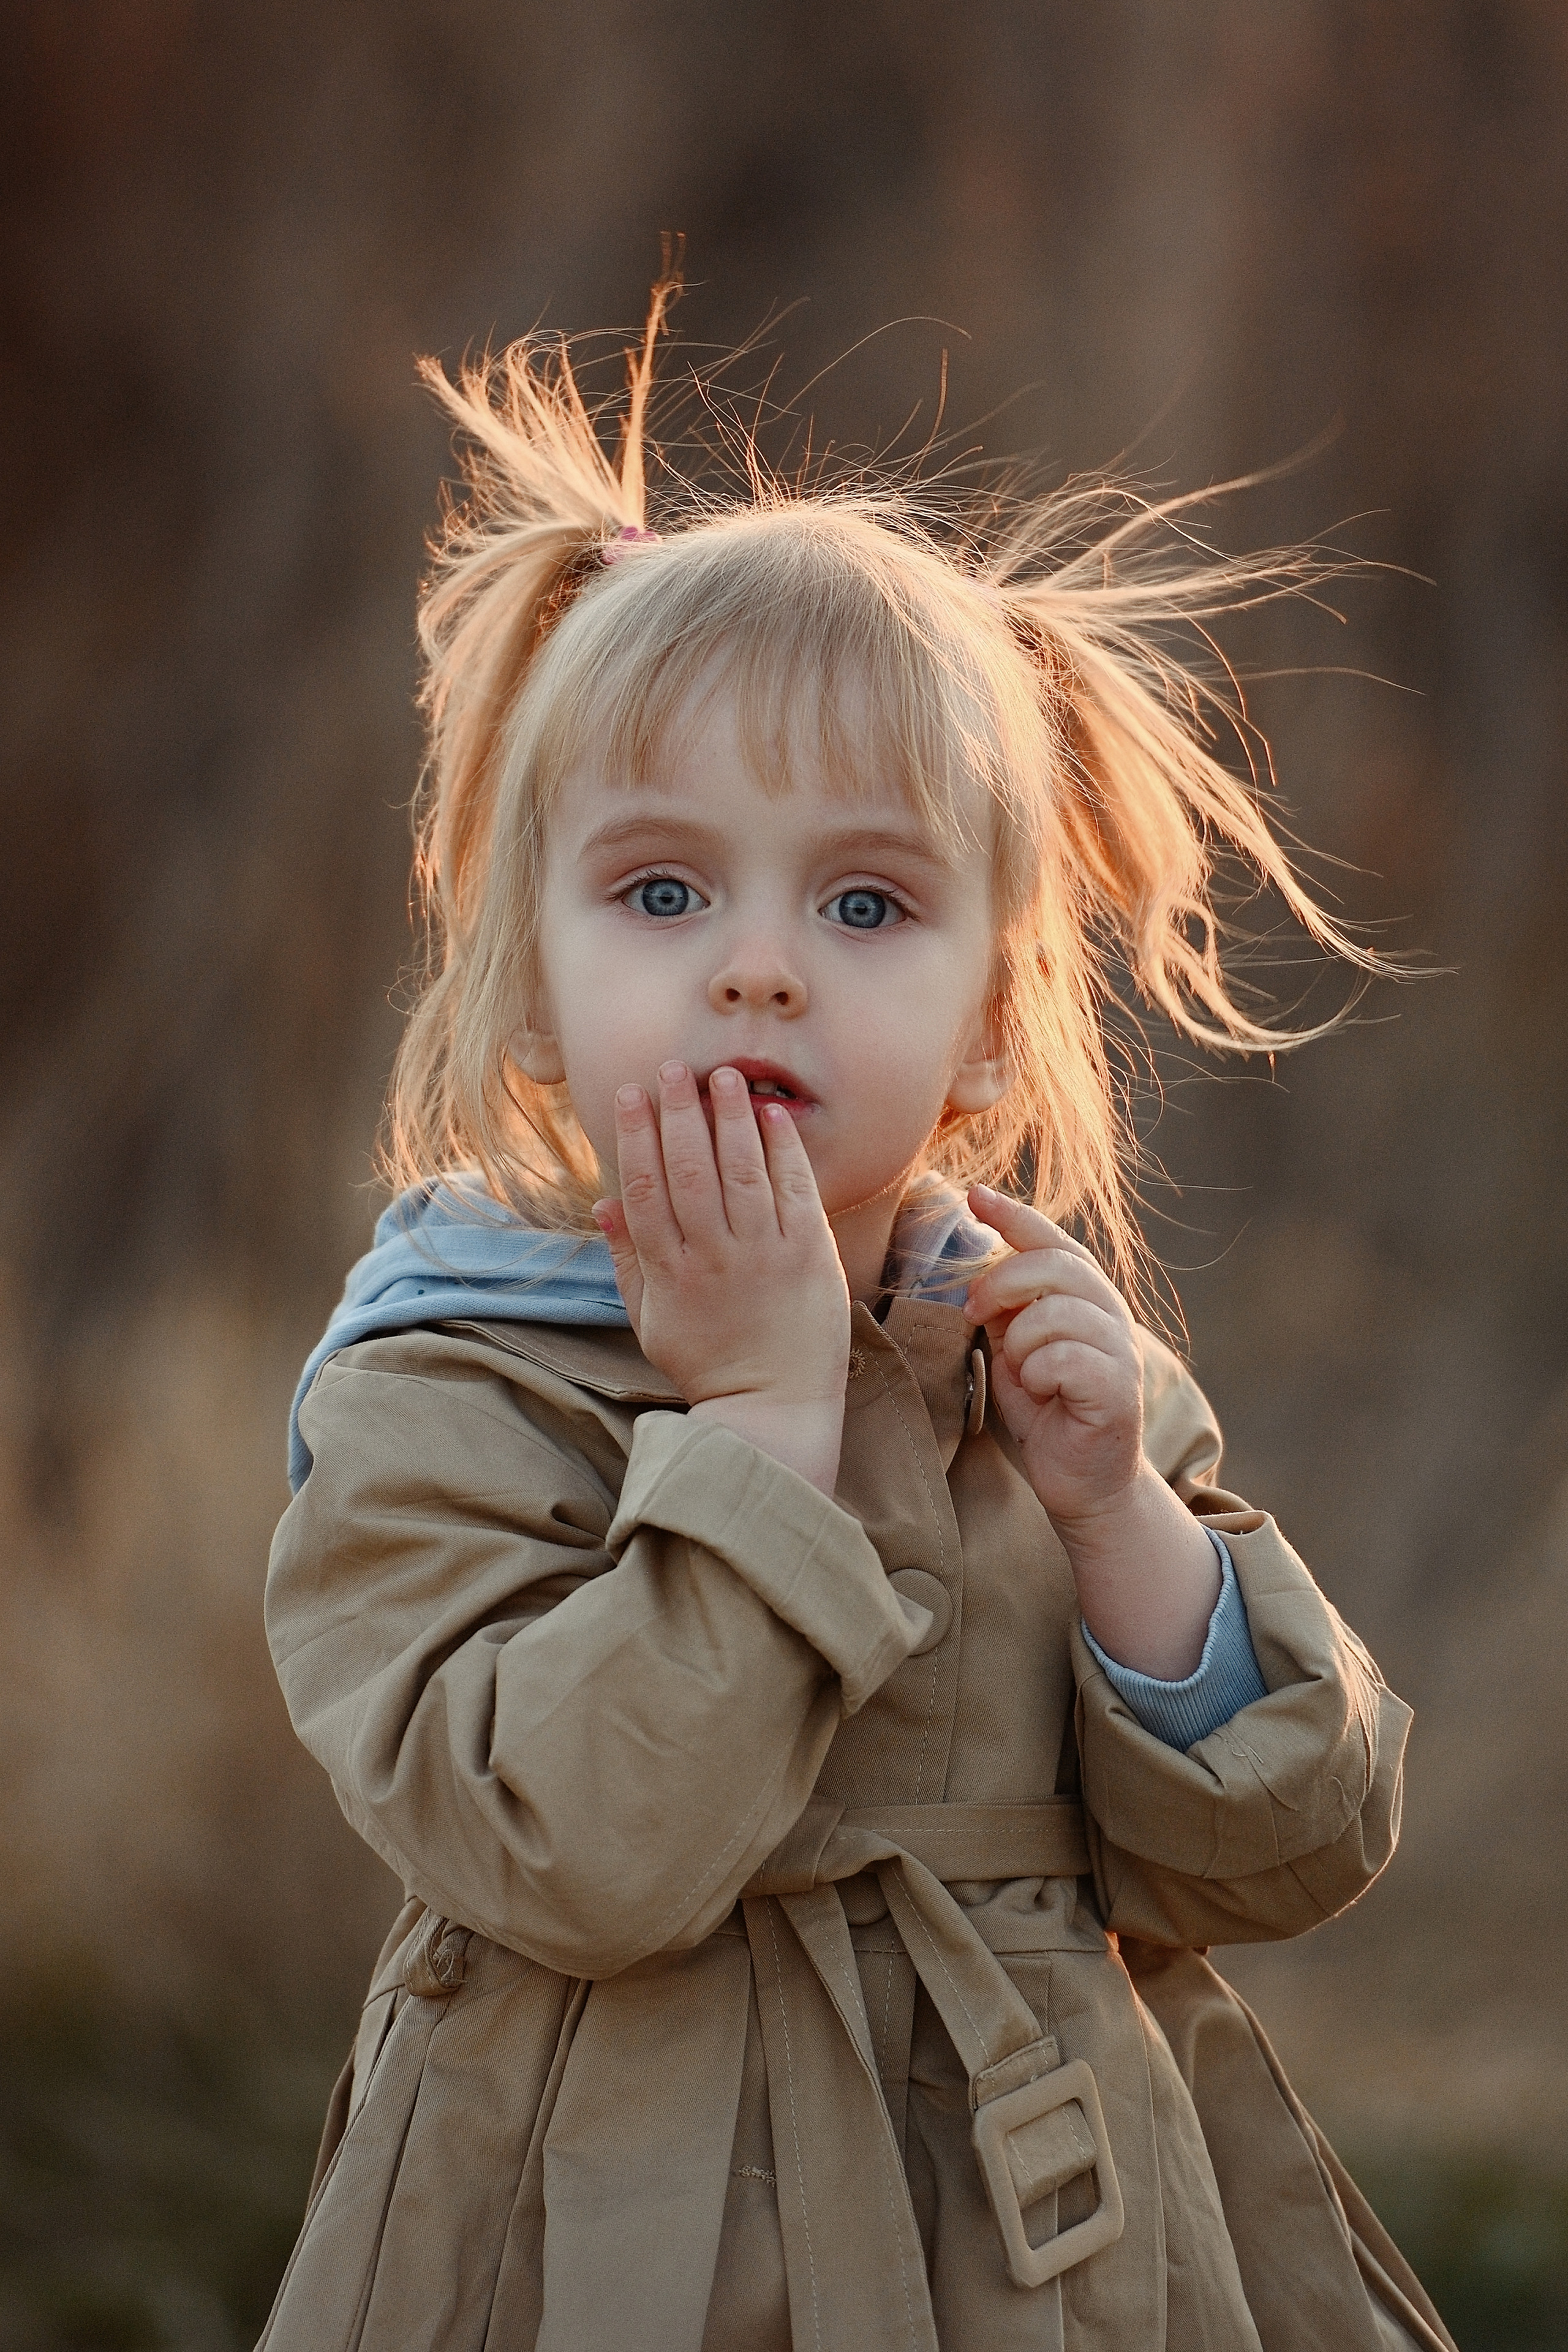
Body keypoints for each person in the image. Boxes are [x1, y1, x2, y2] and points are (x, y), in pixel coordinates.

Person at [260, 283, 1456, 2352]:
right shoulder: (441, 1380)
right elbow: (567, 1851)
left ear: (995, 1008)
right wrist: (748, 1429)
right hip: (599, 2241)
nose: (756, 971)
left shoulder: (1037, 1356)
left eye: (866, 903)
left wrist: (1130, 1538)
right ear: (529, 984)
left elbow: (1281, 1860)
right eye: (661, 893)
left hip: (1045, 2241)